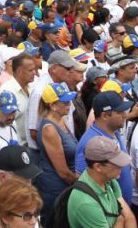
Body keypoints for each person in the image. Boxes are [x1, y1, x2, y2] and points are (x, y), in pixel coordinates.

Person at [75, 91, 134, 205]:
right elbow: (83, 184)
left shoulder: (114, 131)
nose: (125, 115)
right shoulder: (89, 143)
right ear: (105, 115)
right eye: (120, 112)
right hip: (109, 213)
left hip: (123, 206)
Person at [68, 136, 137, 228]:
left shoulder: (109, 180)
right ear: (98, 167)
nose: (121, 166)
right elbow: (123, 216)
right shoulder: (86, 203)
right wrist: (120, 219)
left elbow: (129, 217)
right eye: (116, 163)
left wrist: (122, 218)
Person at [36, 82, 79, 223]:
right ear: (52, 105)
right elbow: (62, 172)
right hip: (56, 189)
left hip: (67, 185)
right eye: (65, 102)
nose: (69, 105)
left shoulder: (61, 120)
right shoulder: (49, 128)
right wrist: (83, 183)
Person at [0, 144, 44, 228]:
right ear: (3, 177)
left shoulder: (27, 199)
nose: (29, 184)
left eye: (30, 179)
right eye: (24, 179)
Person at [0, 53, 39, 146]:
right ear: (19, 71)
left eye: (34, 69)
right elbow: (3, 125)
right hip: (20, 146)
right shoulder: (5, 92)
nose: (34, 73)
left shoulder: (34, 86)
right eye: (31, 70)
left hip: (35, 143)